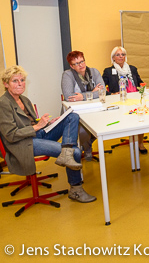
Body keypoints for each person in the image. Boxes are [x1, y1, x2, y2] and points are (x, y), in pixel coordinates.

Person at [0, 66, 96, 203]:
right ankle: (76, 190)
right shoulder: (3, 103)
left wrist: (48, 123)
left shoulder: (24, 100)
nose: (20, 83)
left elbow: (32, 123)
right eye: (15, 81)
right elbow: (10, 135)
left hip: (37, 134)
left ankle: (66, 151)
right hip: (22, 143)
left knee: (71, 116)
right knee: (75, 152)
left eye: (22, 80)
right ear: (6, 84)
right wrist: (37, 126)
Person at [102, 46, 147, 154]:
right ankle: (133, 139)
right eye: (118, 55)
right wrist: (111, 94)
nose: (121, 57)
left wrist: (143, 89)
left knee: (140, 119)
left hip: (135, 98)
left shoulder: (132, 69)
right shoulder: (108, 71)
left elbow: (140, 82)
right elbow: (102, 88)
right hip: (120, 100)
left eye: (123, 54)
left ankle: (140, 143)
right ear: (113, 57)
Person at [61, 50, 104, 159]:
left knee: (104, 124)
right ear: (71, 66)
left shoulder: (94, 72)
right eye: (76, 63)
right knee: (83, 129)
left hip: (95, 109)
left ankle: (86, 145)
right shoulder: (68, 75)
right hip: (75, 112)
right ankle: (87, 148)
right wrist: (93, 92)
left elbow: (102, 91)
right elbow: (68, 96)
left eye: (82, 61)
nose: (81, 65)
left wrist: (82, 96)